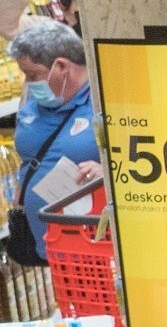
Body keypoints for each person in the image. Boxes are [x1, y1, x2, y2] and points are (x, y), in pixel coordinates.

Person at [6, 19, 100, 223]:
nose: (29, 83)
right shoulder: (33, 103)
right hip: (34, 244)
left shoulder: (102, 103)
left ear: (62, 67)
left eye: (32, 74)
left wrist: (106, 173)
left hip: (83, 243)